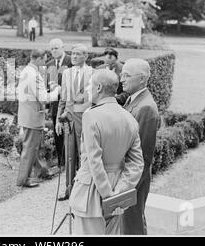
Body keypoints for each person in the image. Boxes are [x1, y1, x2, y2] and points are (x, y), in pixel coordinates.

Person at [69, 69, 144, 235]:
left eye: (89, 85)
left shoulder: (91, 115)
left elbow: (94, 161)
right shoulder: (129, 118)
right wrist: (119, 192)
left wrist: (107, 195)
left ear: (99, 88)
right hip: (117, 190)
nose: (87, 89)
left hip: (92, 192)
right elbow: (137, 163)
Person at [120, 58, 160, 235]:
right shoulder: (133, 100)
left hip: (134, 180)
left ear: (142, 79)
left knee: (132, 224)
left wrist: (128, 186)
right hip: (129, 177)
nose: (121, 79)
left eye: (127, 75)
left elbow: (142, 156)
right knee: (127, 223)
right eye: (122, 74)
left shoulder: (146, 108)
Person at [16, 49, 61, 188]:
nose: (45, 63)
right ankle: (23, 180)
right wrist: (57, 91)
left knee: (34, 147)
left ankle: (42, 171)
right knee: (30, 148)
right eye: (44, 60)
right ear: (39, 58)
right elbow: (44, 98)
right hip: (33, 116)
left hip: (27, 114)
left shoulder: (26, 70)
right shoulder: (34, 75)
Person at [56, 44, 93, 201]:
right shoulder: (66, 73)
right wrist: (58, 118)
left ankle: (84, 191)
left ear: (86, 56)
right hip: (69, 118)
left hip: (85, 118)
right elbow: (63, 98)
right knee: (69, 154)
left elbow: (93, 98)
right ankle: (69, 189)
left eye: (78, 54)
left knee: (83, 154)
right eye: (73, 54)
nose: (74, 56)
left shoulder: (92, 72)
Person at [46, 38, 72, 167]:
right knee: (58, 134)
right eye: (52, 49)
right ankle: (61, 163)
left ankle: (72, 162)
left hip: (69, 104)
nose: (54, 50)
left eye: (56, 48)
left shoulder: (71, 61)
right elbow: (46, 84)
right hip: (55, 104)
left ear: (63, 47)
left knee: (70, 133)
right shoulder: (49, 63)